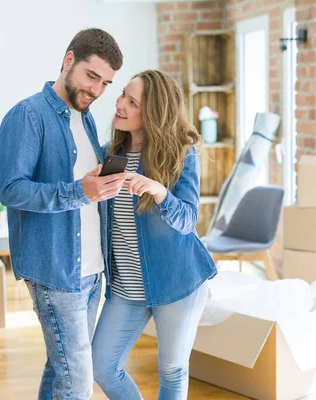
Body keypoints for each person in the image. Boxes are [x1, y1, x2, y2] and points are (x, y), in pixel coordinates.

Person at [0, 28, 126, 399]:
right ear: (69, 60)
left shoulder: (84, 117)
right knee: (77, 382)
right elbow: (11, 189)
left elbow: (84, 180)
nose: (97, 91)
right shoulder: (27, 115)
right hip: (55, 271)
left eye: (105, 83)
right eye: (91, 76)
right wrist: (78, 192)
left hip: (90, 269)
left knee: (61, 370)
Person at [92, 70, 217, 400]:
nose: (119, 105)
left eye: (132, 103)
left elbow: (189, 220)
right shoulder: (110, 155)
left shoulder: (181, 154)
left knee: (172, 371)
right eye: (122, 96)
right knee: (102, 366)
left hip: (178, 281)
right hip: (126, 286)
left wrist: (160, 192)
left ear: (152, 113)